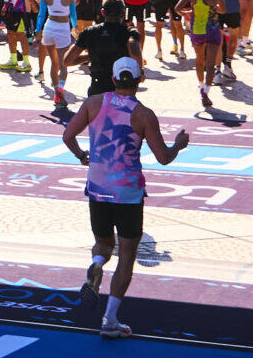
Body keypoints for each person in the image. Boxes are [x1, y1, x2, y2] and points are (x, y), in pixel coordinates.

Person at [62, 59, 189, 338]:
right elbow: (163, 157)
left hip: (97, 186)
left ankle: (97, 263)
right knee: (127, 254)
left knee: (103, 243)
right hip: (128, 192)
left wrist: (82, 156)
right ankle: (110, 320)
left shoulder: (93, 103)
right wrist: (179, 145)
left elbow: (67, 135)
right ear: (140, 79)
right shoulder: (144, 114)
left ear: (113, 78)